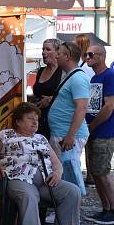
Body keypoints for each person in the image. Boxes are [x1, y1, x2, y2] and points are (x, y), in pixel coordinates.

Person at [0, 102, 81, 225]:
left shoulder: (41, 138)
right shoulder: (5, 135)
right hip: (17, 179)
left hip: (44, 182)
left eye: (36, 119)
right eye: (30, 118)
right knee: (29, 196)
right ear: (18, 121)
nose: (35, 122)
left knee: (72, 191)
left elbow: (57, 163)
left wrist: (57, 173)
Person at [83, 46, 114, 225]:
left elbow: (109, 107)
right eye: (86, 54)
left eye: (90, 55)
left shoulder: (110, 76)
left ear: (101, 56)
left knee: (102, 169)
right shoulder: (95, 77)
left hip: (105, 131)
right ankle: (106, 208)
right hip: (95, 130)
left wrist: (91, 126)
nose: (87, 57)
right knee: (95, 171)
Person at [48, 41, 90, 196]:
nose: (56, 56)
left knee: (69, 173)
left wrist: (71, 135)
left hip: (68, 135)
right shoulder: (69, 76)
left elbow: (82, 108)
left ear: (67, 56)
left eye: (59, 53)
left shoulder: (78, 78)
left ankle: (70, 208)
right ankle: (64, 205)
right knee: (62, 171)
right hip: (62, 132)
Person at [30, 38, 63, 138]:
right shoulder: (41, 70)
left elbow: (69, 96)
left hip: (55, 121)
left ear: (58, 53)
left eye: (48, 49)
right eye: (43, 49)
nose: (43, 52)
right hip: (38, 120)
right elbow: (37, 92)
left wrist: (51, 99)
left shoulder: (62, 71)